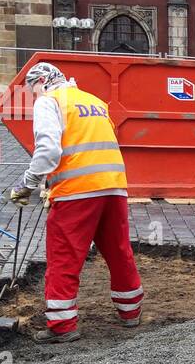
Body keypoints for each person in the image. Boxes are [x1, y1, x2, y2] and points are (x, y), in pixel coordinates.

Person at [8, 61, 143, 343]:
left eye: (33, 91)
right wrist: (51, 184)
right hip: (114, 186)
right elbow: (90, 146)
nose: (34, 97)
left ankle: (62, 325)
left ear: (42, 82)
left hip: (78, 191)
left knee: (64, 256)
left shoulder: (50, 102)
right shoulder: (93, 101)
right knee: (118, 251)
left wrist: (27, 184)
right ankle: (131, 312)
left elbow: (48, 150)